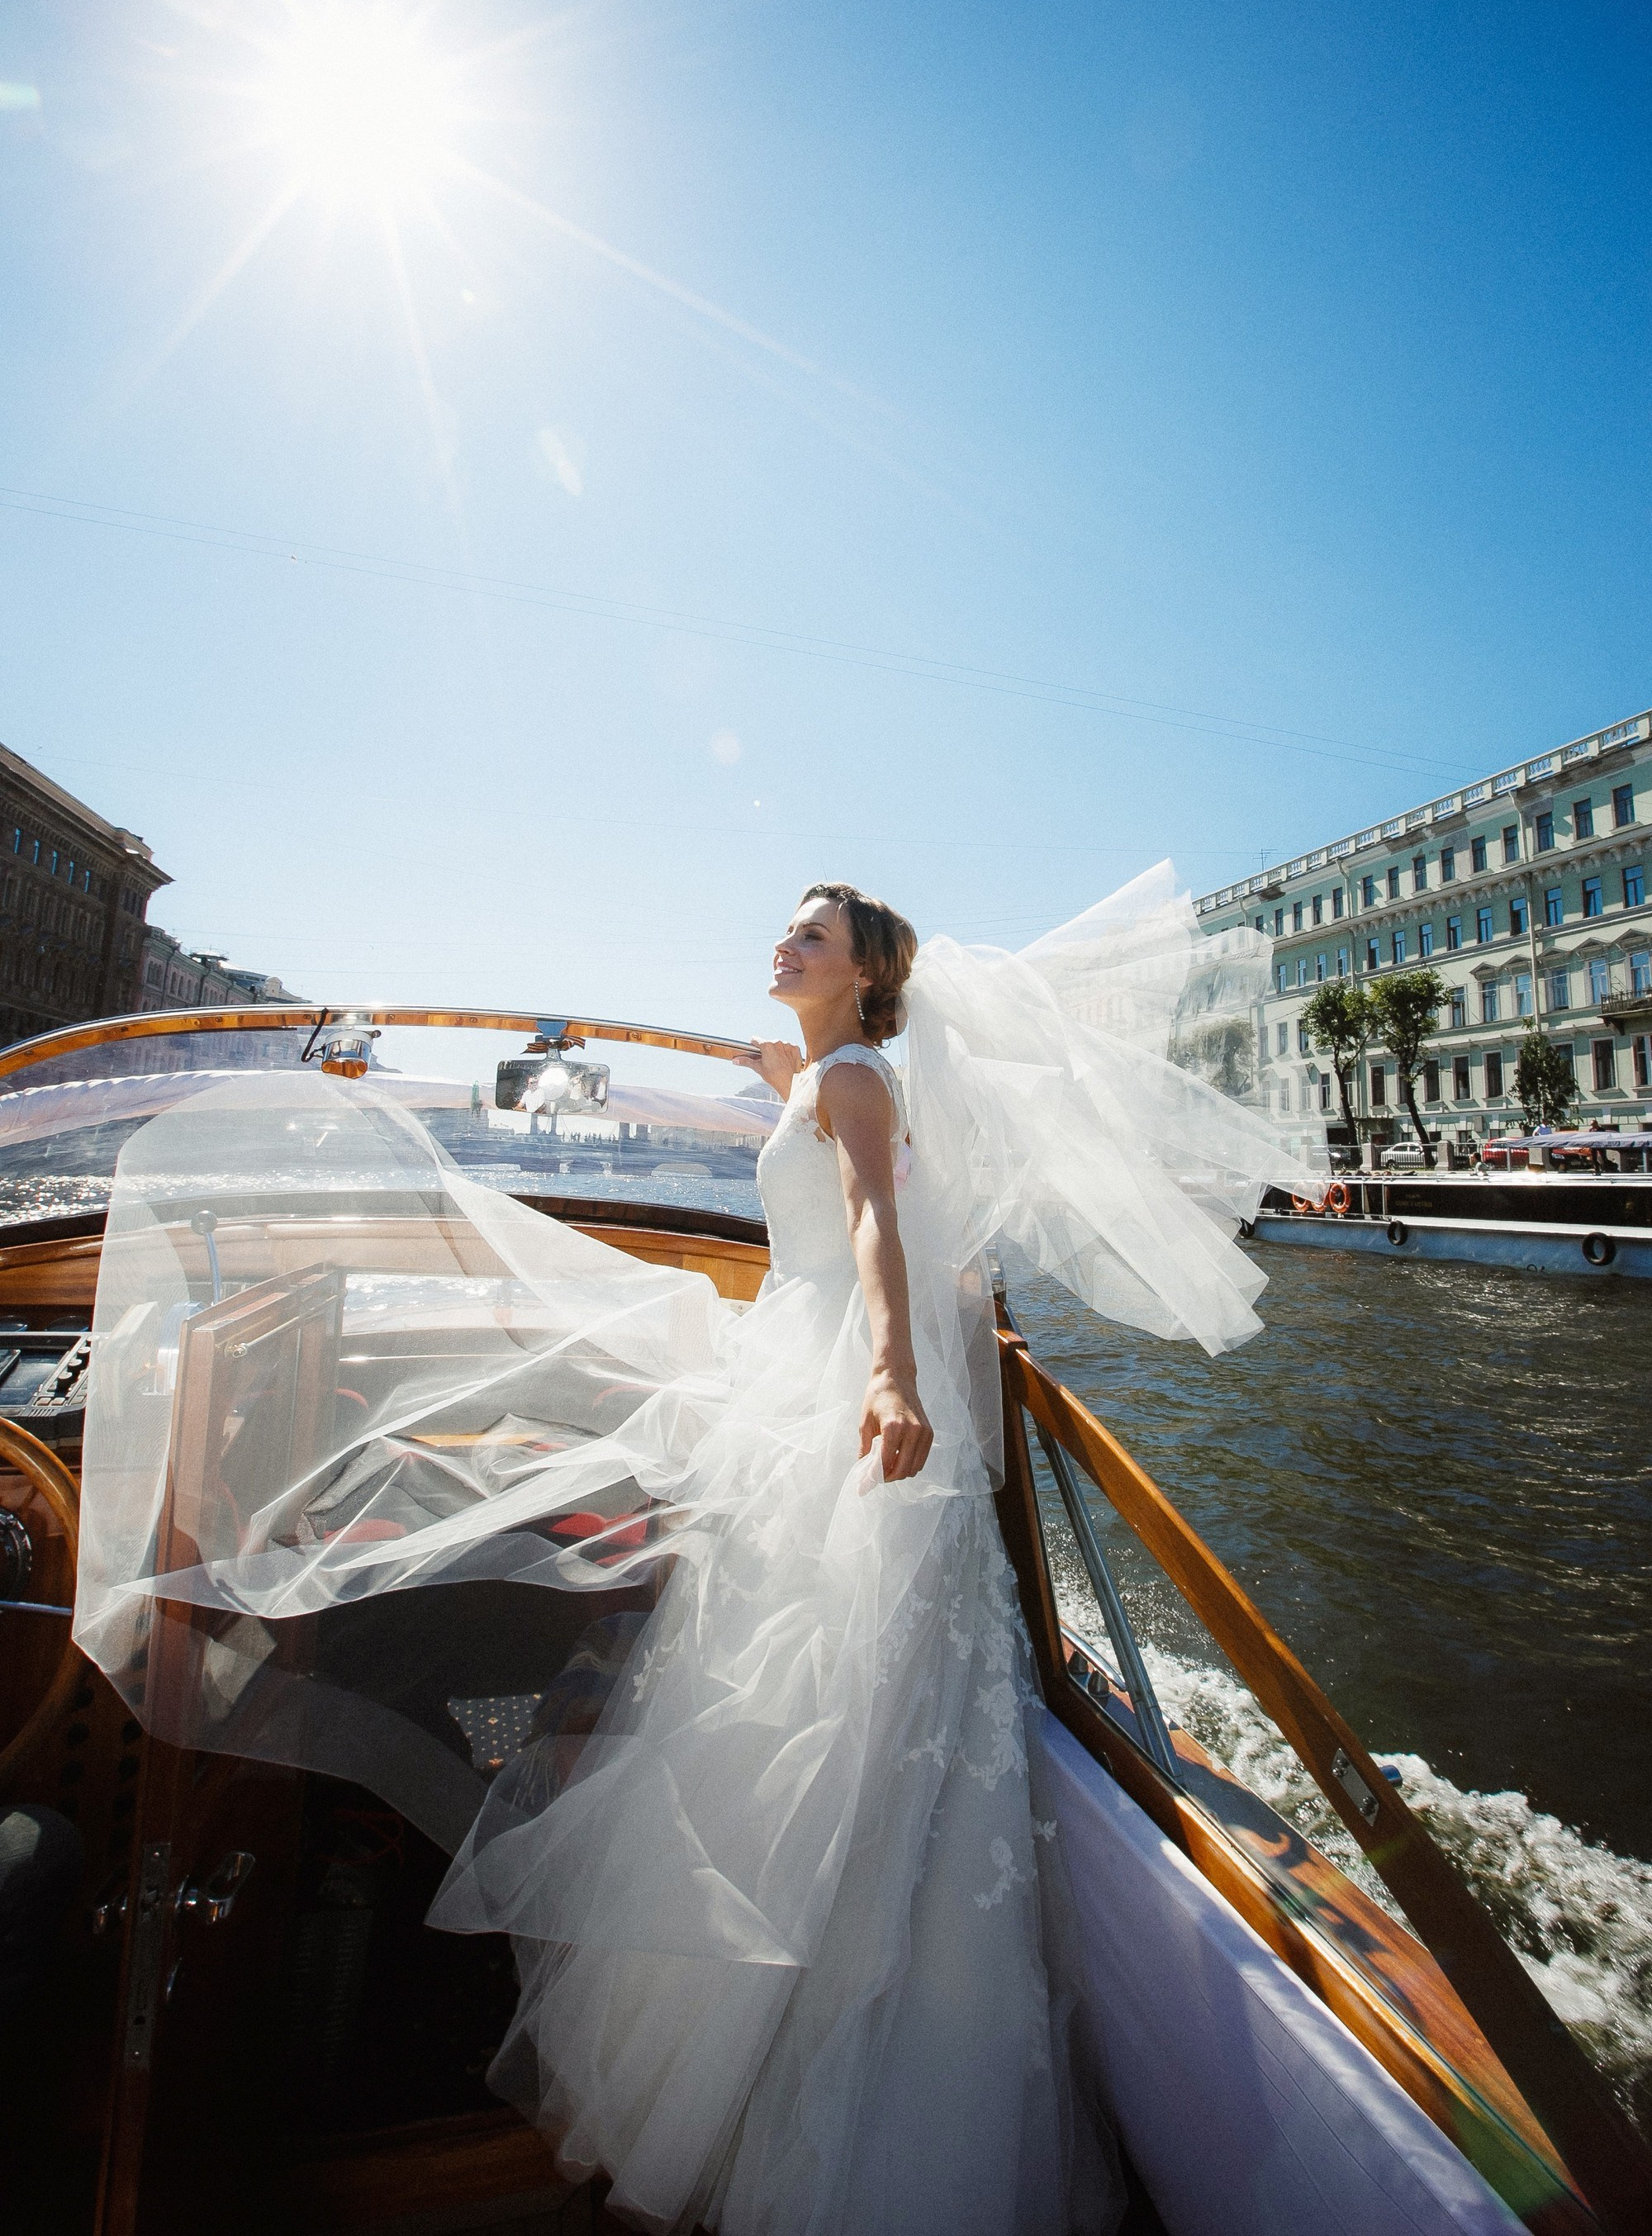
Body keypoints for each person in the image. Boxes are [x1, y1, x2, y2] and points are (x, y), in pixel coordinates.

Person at [74, 865, 1312, 2236]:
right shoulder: (823, 1070)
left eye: (811, 936)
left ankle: (804, 2051)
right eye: (785, 926)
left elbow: (874, 1230)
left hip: (835, 1374)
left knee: (831, 1689)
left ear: (866, 972)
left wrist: (893, 1376)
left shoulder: (854, 1086)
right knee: (777, 1671)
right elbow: (818, 1131)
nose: (782, 942)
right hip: (792, 1362)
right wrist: (765, 1062)